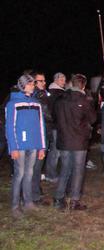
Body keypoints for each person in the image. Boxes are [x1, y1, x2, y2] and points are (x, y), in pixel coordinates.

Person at [53, 74, 97, 210]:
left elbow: (55, 117)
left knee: (65, 169)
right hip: (79, 141)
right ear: (83, 86)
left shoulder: (60, 100)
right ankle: (74, 200)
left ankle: (59, 198)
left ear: (71, 84)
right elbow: (93, 119)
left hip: (65, 140)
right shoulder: (84, 100)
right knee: (78, 170)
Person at [6, 74, 46, 217]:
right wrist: (13, 147)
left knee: (29, 174)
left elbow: (41, 126)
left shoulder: (36, 103)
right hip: (20, 146)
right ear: (23, 85)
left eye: (32, 83)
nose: (33, 85)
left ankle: (28, 202)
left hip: (34, 144)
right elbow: (10, 126)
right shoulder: (13, 104)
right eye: (30, 83)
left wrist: (42, 146)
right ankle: (15, 206)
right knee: (19, 174)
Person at [30, 71, 50, 204]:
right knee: (35, 166)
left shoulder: (43, 95)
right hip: (38, 136)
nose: (43, 83)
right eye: (40, 81)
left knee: (37, 166)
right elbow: (48, 115)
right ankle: (35, 195)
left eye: (44, 80)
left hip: (44, 133)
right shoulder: (38, 96)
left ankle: (35, 190)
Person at [44, 72, 67, 182]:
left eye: (64, 79)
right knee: (55, 151)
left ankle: (54, 172)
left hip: (57, 125)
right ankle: (50, 174)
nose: (64, 82)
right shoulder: (56, 93)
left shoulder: (56, 92)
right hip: (56, 125)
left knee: (57, 150)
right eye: (62, 79)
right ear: (56, 80)